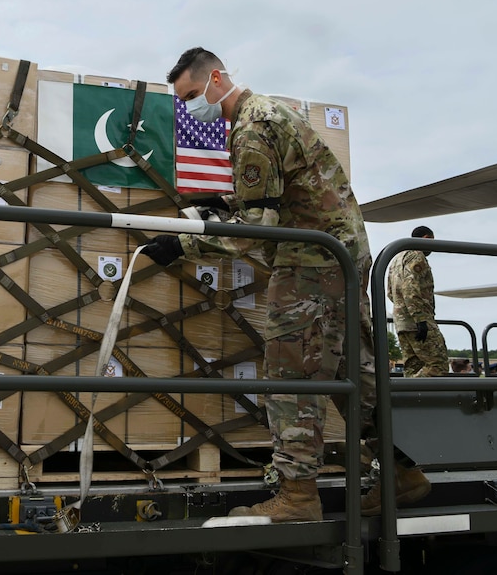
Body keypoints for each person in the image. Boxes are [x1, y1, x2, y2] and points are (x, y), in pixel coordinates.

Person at [141, 47, 429, 521]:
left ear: (216, 78)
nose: (191, 106)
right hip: (339, 257)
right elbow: (279, 193)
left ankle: (298, 496)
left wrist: (184, 246)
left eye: (192, 94)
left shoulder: (252, 128)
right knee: (351, 375)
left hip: (310, 263)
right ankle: (402, 472)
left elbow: (258, 227)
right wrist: (226, 200)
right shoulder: (269, 113)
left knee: (291, 376)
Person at [387, 226, 449, 377]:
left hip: (401, 322)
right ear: (426, 239)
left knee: (413, 367)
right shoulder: (416, 256)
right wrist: (420, 318)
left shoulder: (397, 258)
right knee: (438, 365)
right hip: (418, 320)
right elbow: (410, 287)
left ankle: (410, 396)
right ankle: (422, 395)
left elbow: (390, 292)